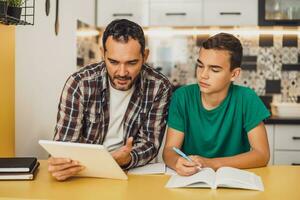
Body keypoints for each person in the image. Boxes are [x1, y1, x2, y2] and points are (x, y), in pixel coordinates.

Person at [48, 19, 172, 181]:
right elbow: (65, 144)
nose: (122, 72)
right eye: (113, 62)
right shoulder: (80, 84)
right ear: (103, 53)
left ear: (145, 56)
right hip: (84, 171)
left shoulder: (159, 87)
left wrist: (127, 158)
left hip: (130, 171)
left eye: (131, 62)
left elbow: (150, 143)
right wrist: (61, 163)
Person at [163, 33, 270, 176]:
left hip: (234, 178)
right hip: (192, 179)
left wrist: (212, 164)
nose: (203, 75)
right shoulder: (182, 97)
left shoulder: (247, 99)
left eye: (214, 69)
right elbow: (170, 150)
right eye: (200, 66)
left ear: (234, 74)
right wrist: (177, 162)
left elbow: (262, 155)